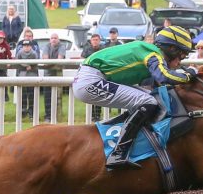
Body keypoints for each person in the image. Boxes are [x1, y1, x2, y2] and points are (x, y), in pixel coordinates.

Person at [72, 25, 196, 170]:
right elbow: (164, 77)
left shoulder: (150, 52)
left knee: (150, 98)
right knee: (148, 101)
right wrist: (190, 74)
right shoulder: (152, 53)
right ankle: (118, 153)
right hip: (90, 80)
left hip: (93, 78)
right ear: (172, 49)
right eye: (182, 55)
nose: (181, 61)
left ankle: (128, 141)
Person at [42, 32, 68, 121]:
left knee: (58, 96)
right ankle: (48, 116)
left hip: (58, 75)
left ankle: (58, 116)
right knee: (47, 97)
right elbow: (45, 59)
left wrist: (50, 63)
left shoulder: (62, 46)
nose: (53, 39)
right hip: (47, 76)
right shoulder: (46, 46)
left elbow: (60, 59)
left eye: (55, 38)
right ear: (50, 39)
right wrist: (53, 63)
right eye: (52, 38)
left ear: (58, 39)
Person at [14, 37, 40, 118]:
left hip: (32, 76)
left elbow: (36, 64)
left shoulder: (34, 54)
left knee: (31, 94)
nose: (26, 47)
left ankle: (31, 110)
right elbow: (17, 63)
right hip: (22, 76)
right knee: (23, 94)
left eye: (28, 45)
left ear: (31, 46)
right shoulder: (20, 53)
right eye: (24, 45)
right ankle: (23, 110)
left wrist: (31, 67)